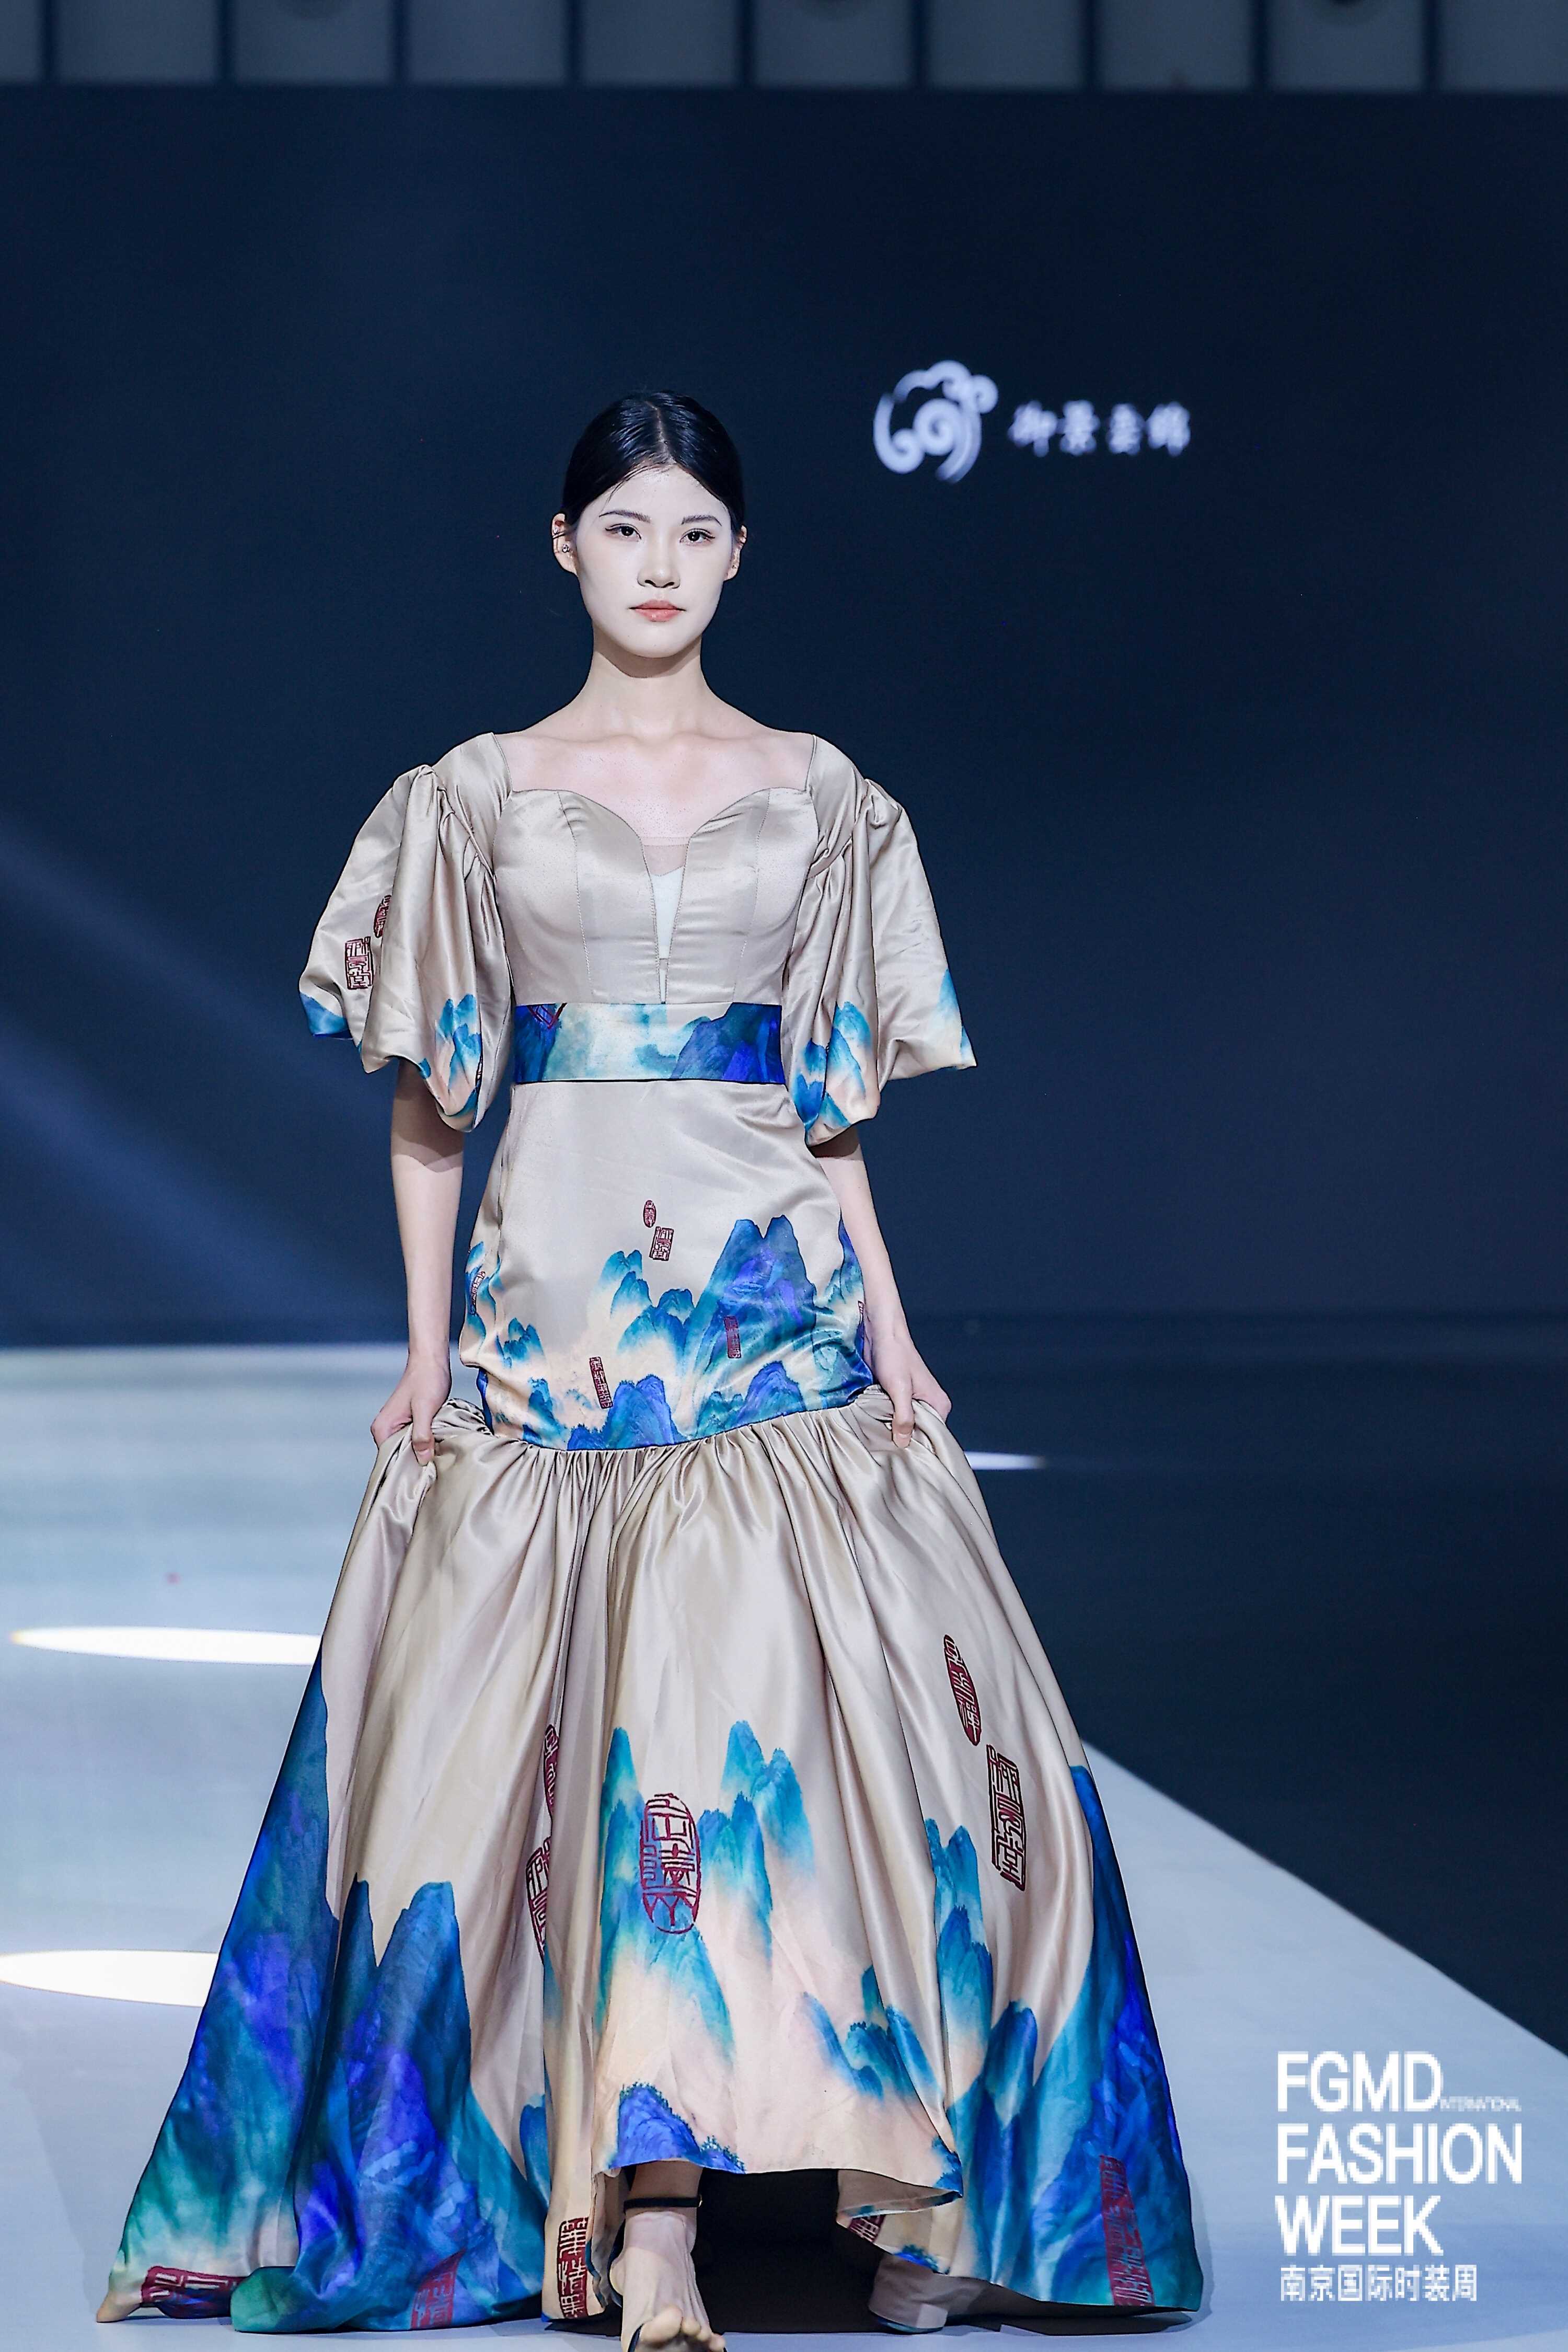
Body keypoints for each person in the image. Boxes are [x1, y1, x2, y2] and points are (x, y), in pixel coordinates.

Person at [99, 392, 1201, 2342]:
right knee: (576, 1751)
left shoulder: (824, 794)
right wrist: (425, 1353)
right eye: (626, 529)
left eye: (696, 532)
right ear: (566, 548)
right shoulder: (475, 796)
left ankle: (861, 2190)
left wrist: (895, 1327)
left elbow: (829, 1113)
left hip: (769, 1307)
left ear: (740, 556)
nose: (662, 565)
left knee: (840, 1739)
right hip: (559, 1323)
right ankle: (641, 2207)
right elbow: (432, 1105)